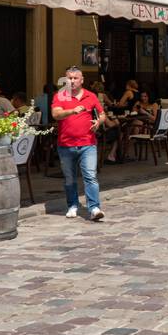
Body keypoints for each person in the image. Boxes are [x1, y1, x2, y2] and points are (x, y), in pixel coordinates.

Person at [51, 66, 117, 221]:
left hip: (88, 144)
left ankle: (94, 208)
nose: (72, 81)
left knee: (90, 176)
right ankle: (72, 205)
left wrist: (98, 122)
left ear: (82, 80)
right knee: (69, 179)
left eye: (75, 78)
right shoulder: (60, 96)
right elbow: (56, 114)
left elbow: (101, 114)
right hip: (66, 145)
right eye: (69, 78)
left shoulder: (91, 96)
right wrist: (72, 111)